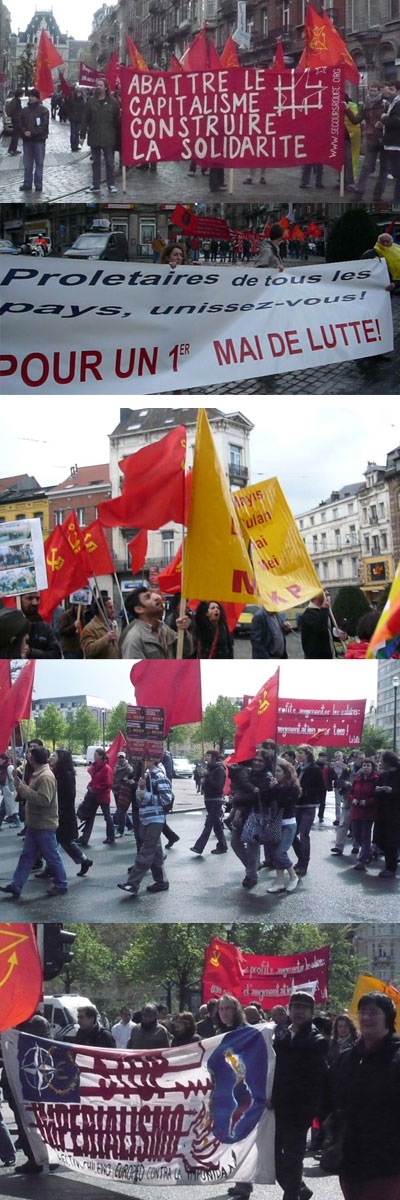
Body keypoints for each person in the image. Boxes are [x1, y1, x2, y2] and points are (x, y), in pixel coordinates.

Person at [324, 991, 400, 1200]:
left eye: (373, 1012)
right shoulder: (346, 1059)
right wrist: (332, 1134)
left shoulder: (396, 1056)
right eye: (362, 1012)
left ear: (388, 1017)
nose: (366, 1018)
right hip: (351, 1158)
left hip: (388, 1161)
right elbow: (329, 1099)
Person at [272, 990, 328, 1200]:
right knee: (273, 1158)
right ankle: (300, 1189)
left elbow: (307, 1082)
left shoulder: (317, 1040)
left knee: (293, 1160)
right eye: (295, 1007)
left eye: (304, 1008)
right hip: (276, 1109)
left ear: (312, 1012)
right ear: (288, 1010)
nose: (298, 1012)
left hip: (298, 1110)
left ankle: (292, 1195)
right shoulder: (279, 1034)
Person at [0, 745, 68, 899]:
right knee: (27, 856)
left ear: (34, 758)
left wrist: (27, 791)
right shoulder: (39, 773)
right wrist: (21, 787)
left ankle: (61, 883)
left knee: (52, 856)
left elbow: (44, 800)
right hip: (35, 823)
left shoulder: (45, 776)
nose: (28, 757)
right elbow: (29, 794)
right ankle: (16, 885)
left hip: (44, 824)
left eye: (30, 755)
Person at [117, 759, 172, 898]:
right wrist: (141, 790)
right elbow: (140, 799)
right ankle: (161, 881)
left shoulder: (159, 776)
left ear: (153, 759)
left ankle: (133, 883)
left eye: (146, 758)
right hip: (148, 817)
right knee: (156, 852)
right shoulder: (148, 775)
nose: (142, 761)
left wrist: (145, 794)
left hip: (155, 818)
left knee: (146, 850)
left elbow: (166, 799)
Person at [45, 749, 93, 877]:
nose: (51, 757)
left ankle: (83, 861)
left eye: (54, 755)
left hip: (63, 814)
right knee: (55, 841)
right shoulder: (57, 772)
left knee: (64, 841)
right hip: (59, 812)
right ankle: (51, 867)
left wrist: (59, 807)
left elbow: (70, 795)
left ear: (62, 759)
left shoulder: (66, 774)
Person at [119, 588, 193, 659]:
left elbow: (186, 651)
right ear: (139, 609)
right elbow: (136, 670)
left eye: (152, 595)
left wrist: (183, 631)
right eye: (148, 597)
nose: (156, 598)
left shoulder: (164, 629)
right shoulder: (134, 639)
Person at [266, 757, 301, 895]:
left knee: (280, 852)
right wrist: (272, 789)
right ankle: (279, 882)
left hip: (288, 824)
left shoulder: (293, 787)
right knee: (275, 854)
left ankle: (293, 876)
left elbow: (284, 802)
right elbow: (268, 801)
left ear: (286, 773)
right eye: (275, 771)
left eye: (279, 771)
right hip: (275, 823)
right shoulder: (276, 785)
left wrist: (275, 788)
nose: (276, 773)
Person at [80, 78, 120, 194]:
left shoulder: (113, 102)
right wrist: (82, 135)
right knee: (96, 162)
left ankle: (111, 184)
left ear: (106, 88)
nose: (98, 87)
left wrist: (117, 134)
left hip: (108, 136)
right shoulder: (91, 101)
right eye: (97, 85)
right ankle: (95, 184)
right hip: (94, 135)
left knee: (109, 162)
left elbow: (117, 119)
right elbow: (85, 119)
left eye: (101, 85)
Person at [293, 745, 326, 877]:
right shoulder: (299, 768)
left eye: (301, 752)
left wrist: (306, 791)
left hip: (308, 805)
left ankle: (304, 864)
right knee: (292, 835)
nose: (299, 755)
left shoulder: (315, 769)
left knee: (304, 835)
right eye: (299, 752)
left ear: (308, 754)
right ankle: (301, 858)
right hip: (297, 805)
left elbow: (322, 788)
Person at [190, 749, 227, 857]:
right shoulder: (210, 768)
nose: (206, 758)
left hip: (216, 800)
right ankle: (223, 845)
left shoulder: (219, 769)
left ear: (214, 757)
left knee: (208, 824)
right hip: (209, 799)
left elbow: (218, 786)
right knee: (216, 825)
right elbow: (209, 785)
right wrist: (204, 782)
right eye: (206, 756)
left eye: (208, 756)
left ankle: (198, 847)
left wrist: (208, 777)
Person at [78, 748, 114, 846]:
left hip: (102, 796)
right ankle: (84, 838)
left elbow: (107, 783)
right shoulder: (98, 767)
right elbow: (95, 780)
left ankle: (110, 837)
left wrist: (93, 789)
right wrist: (90, 786)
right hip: (96, 795)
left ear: (101, 756)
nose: (94, 756)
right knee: (91, 816)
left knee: (107, 817)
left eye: (96, 754)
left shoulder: (106, 768)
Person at [374, 749, 400, 877]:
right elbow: (376, 791)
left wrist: (393, 791)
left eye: (382, 760)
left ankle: (391, 867)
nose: (380, 762)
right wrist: (378, 790)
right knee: (380, 840)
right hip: (382, 812)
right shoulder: (383, 775)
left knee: (391, 841)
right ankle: (391, 862)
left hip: (395, 813)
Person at [349, 758, 378, 871]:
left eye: (368, 765)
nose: (365, 767)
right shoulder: (358, 779)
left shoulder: (376, 780)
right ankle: (369, 851)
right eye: (364, 765)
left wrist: (367, 802)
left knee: (365, 836)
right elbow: (351, 792)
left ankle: (361, 860)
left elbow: (377, 796)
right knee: (356, 834)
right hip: (356, 811)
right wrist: (353, 799)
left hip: (368, 812)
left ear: (372, 767)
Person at [300, 591, 347, 659]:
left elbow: (327, 632)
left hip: (330, 655)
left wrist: (338, 635)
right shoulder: (308, 614)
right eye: (324, 591)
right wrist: (324, 609)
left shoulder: (324, 612)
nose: (327, 593)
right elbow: (318, 629)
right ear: (316, 596)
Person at [19, 88, 49, 193]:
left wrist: (32, 132)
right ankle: (27, 184)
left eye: (33, 96)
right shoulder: (24, 110)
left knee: (39, 163)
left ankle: (38, 184)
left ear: (37, 98)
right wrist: (24, 132)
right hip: (27, 141)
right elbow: (20, 124)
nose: (31, 98)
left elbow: (43, 126)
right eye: (30, 96)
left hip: (39, 140)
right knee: (27, 164)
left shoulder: (43, 110)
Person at [19, 593, 61, 658]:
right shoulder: (9, 626)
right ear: (19, 600)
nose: (35, 603)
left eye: (37, 598)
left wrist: (31, 652)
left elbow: (56, 655)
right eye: (30, 598)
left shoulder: (44, 627)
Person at [66, 85, 86, 150]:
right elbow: (69, 108)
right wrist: (70, 116)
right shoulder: (72, 100)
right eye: (78, 92)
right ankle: (72, 145)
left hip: (80, 119)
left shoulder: (83, 100)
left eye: (80, 93)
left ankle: (76, 145)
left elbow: (84, 110)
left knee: (77, 133)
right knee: (73, 133)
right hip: (73, 119)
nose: (79, 94)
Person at [6, 88, 23, 156]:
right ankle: (12, 150)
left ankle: (13, 149)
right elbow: (16, 111)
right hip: (16, 120)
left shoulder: (14, 100)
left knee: (16, 135)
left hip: (15, 119)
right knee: (16, 136)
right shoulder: (16, 101)